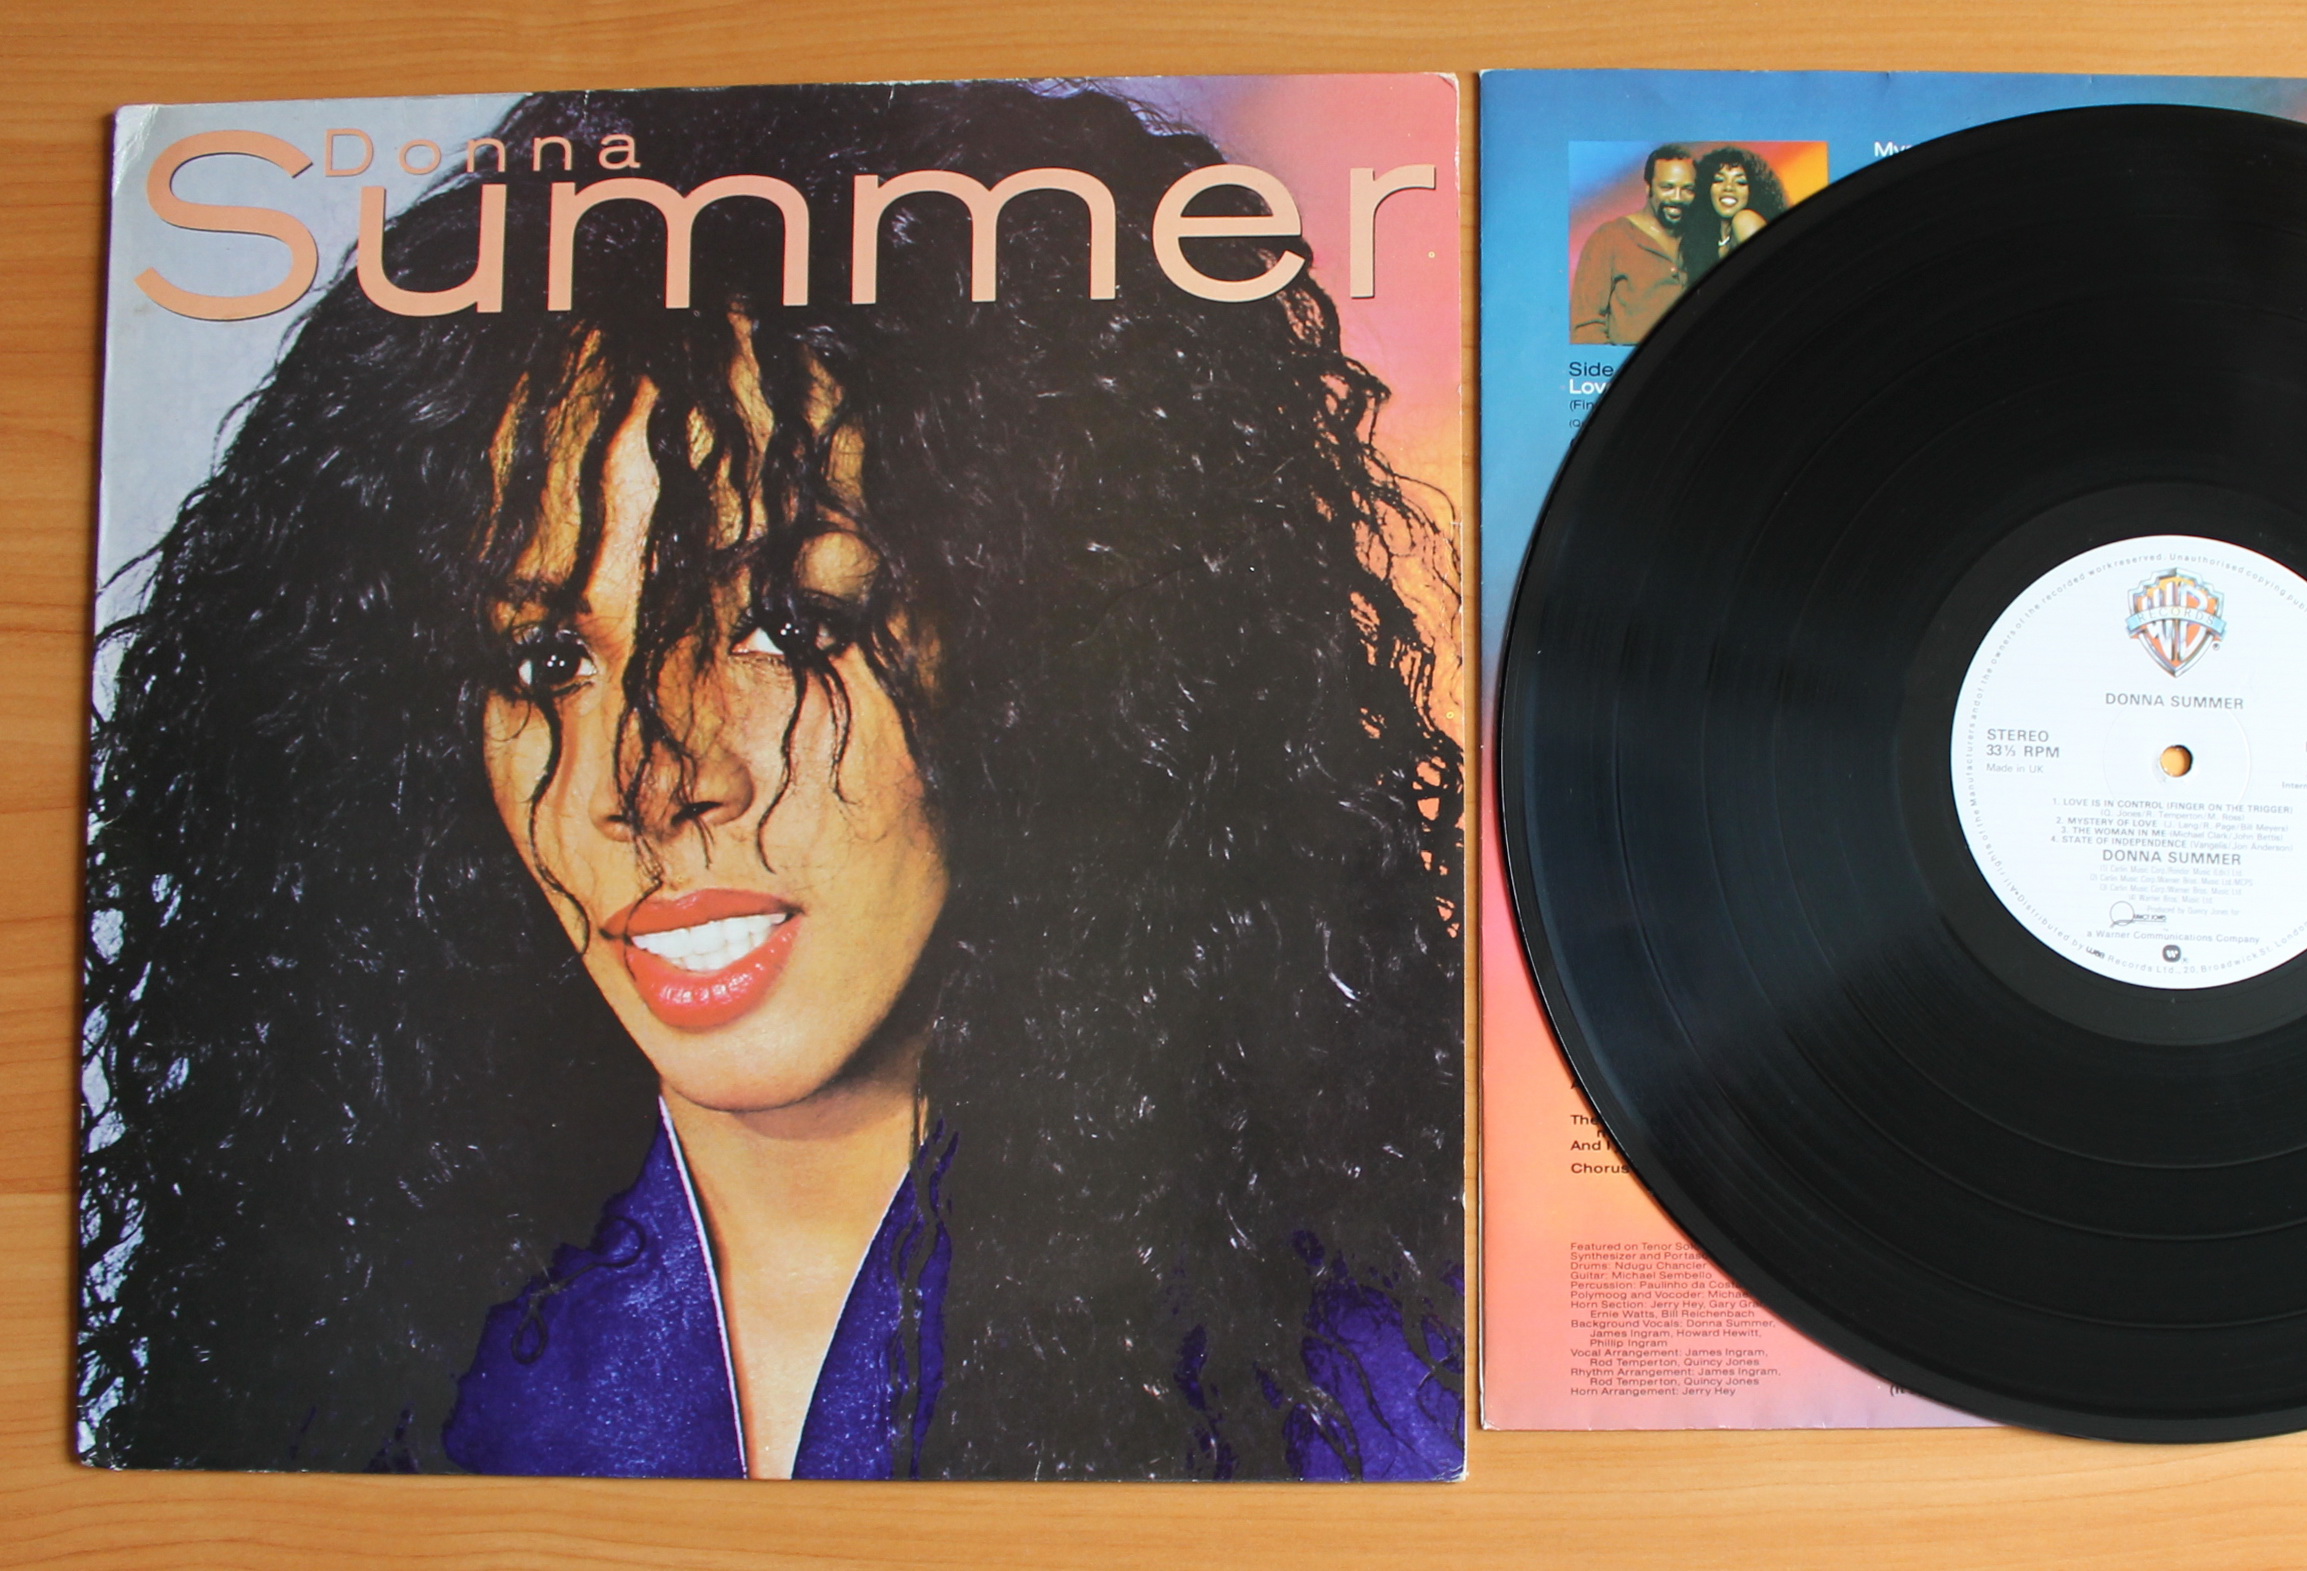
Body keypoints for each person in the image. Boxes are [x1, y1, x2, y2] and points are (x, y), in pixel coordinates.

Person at [81, 82, 1464, 1481]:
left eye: (789, 626)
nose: (651, 778)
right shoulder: (341, 1390)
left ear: (1044, 654)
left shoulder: (1379, 1393)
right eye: (548, 657)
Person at [1570, 143, 1697, 345]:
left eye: (1687, 189)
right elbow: (1585, 328)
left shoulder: (1700, 238)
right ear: (1648, 187)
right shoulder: (1610, 237)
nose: (1677, 198)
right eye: (1667, 187)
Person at [1683, 145, 1789, 280]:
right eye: (1719, 180)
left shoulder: (1746, 220)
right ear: (1707, 188)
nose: (1728, 187)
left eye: (1740, 182)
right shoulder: (1707, 238)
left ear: (1753, 191)